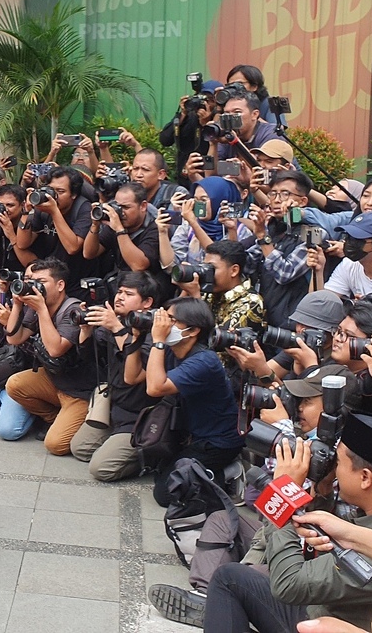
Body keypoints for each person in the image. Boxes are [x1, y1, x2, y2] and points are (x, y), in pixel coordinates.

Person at [201, 414, 372, 632]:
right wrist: (323, 489)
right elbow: (321, 540)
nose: (333, 469)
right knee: (230, 531)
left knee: (230, 578)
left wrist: (283, 494)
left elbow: (290, 584)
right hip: (330, 605)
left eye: (337, 463)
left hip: (330, 621)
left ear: (365, 478)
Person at [146, 298, 244, 506]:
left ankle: (227, 475)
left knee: (165, 494)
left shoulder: (204, 361)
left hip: (218, 442)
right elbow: (134, 377)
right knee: (156, 470)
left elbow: (155, 387)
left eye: (172, 320)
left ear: (192, 331)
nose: (165, 325)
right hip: (193, 435)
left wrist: (158, 341)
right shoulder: (175, 351)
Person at [69, 271, 160, 481]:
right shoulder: (118, 322)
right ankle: (117, 443)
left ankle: (149, 457)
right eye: (119, 292)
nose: (119, 297)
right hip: (115, 408)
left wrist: (117, 329)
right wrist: (86, 330)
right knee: (80, 449)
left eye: (128, 294)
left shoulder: (155, 329)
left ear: (147, 302)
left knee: (100, 469)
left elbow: (135, 371)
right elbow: (91, 359)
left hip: (141, 416)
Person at [3, 258, 97, 456]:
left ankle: (80, 419)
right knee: (14, 384)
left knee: (55, 445)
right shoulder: (36, 307)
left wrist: (41, 310)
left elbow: (56, 350)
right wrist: (18, 306)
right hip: (55, 379)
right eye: (33, 281)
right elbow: (14, 338)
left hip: (79, 390)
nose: (36, 287)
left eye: (42, 282)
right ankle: (54, 417)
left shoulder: (73, 310)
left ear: (60, 285)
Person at [241, 170, 317, 327]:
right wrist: (232, 229)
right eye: (273, 194)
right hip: (262, 318)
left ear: (302, 201)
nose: (276, 200)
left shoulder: (313, 232)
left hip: (290, 323)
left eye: (284, 194)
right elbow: (246, 266)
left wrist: (262, 236)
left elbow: (285, 273)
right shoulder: (273, 228)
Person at [82, 181, 164, 282]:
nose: (121, 212)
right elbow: (89, 253)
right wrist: (95, 225)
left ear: (143, 206)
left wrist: (120, 230)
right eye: (117, 206)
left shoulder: (156, 227)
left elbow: (138, 266)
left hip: (149, 286)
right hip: (122, 283)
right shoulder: (116, 224)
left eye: (126, 207)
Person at [131, 148, 188, 213]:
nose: (138, 175)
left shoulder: (175, 193)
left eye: (145, 169)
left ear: (161, 174)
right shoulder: (126, 193)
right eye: (135, 169)